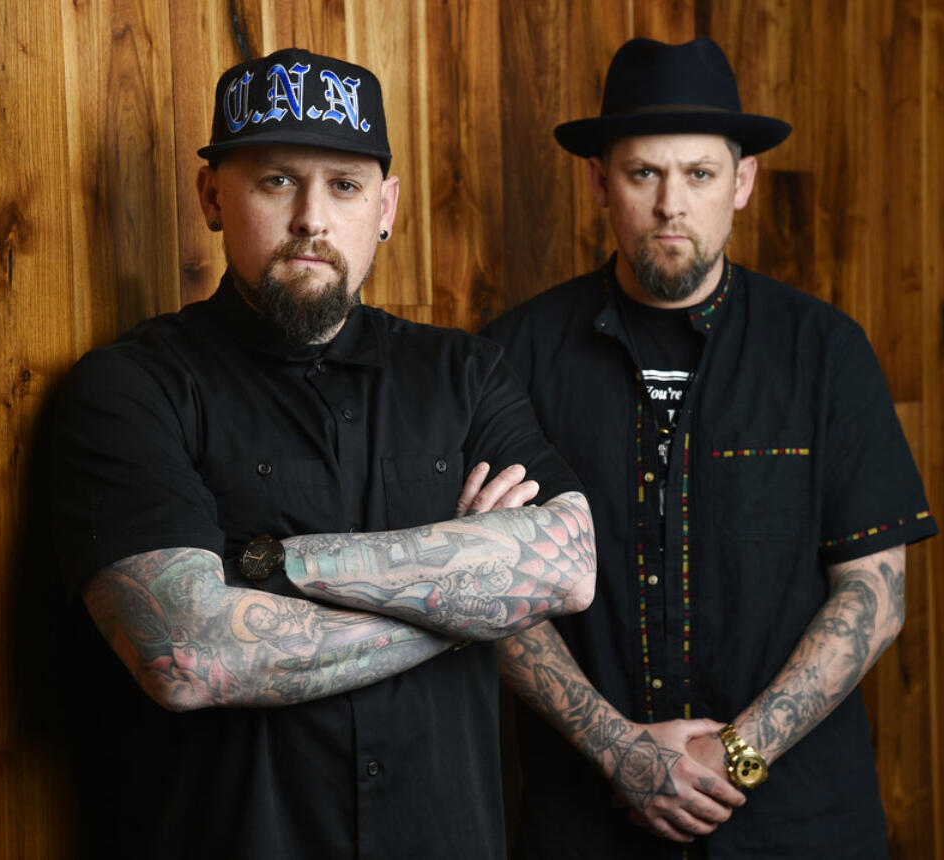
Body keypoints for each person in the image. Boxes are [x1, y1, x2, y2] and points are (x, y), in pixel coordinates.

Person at [50, 47, 595, 860]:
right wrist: (469, 603)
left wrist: (274, 567)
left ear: (386, 206)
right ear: (211, 196)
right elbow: (189, 656)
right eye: (276, 180)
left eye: (344, 185)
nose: (312, 217)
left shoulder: (465, 374)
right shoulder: (131, 388)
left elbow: (570, 565)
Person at [483, 37, 938, 859]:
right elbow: (491, 591)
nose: (670, 205)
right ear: (598, 182)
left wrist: (734, 754)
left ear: (743, 184)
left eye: (698, 174)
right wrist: (620, 752)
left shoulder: (824, 352)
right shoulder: (511, 359)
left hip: (796, 827)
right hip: (589, 823)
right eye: (642, 173)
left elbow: (875, 594)